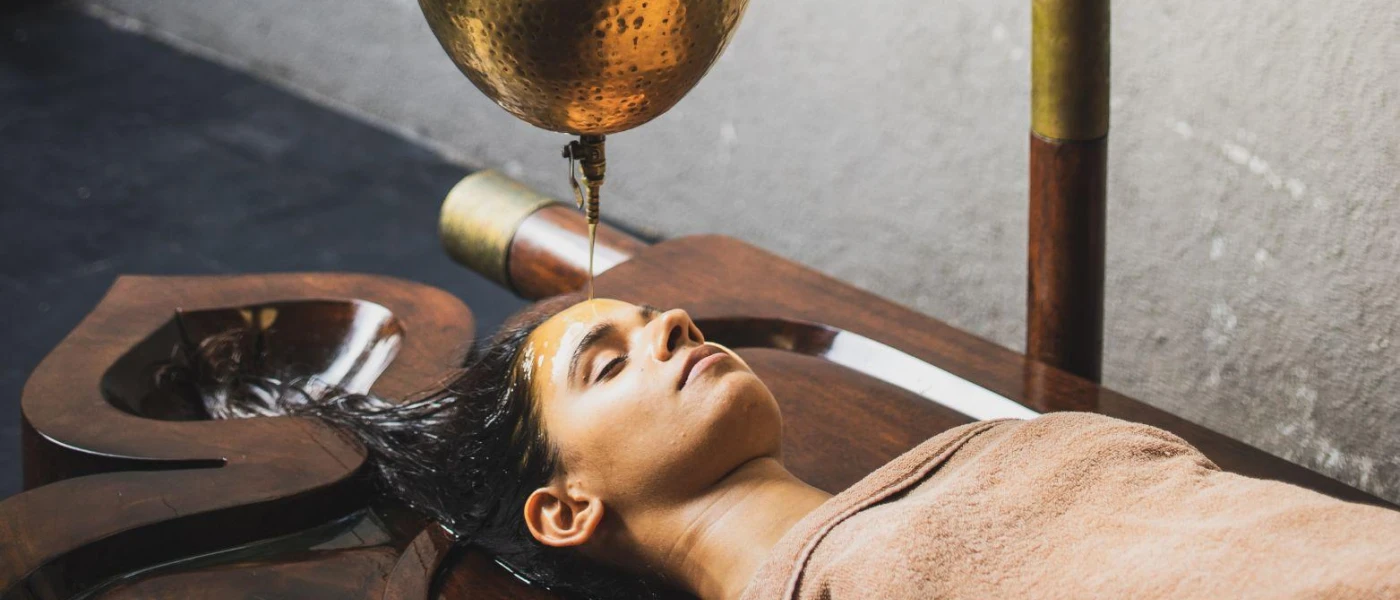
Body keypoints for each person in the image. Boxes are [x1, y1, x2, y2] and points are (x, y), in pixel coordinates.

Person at [167, 294, 1400, 600]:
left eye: (658, 319)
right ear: (562, 508)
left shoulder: (981, 460)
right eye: (607, 362)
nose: (670, 324)